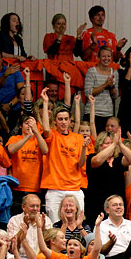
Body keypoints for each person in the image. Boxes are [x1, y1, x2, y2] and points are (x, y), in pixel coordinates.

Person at [39, 90, 87, 222]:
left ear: (70, 121)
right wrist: (45, 101)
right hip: (55, 188)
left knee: (78, 223)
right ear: (55, 121)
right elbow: (46, 129)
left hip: (75, 187)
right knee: (55, 223)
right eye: (60, 119)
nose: (63, 122)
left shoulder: (78, 138)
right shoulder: (53, 136)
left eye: (66, 119)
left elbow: (81, 163)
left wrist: (83, 148)